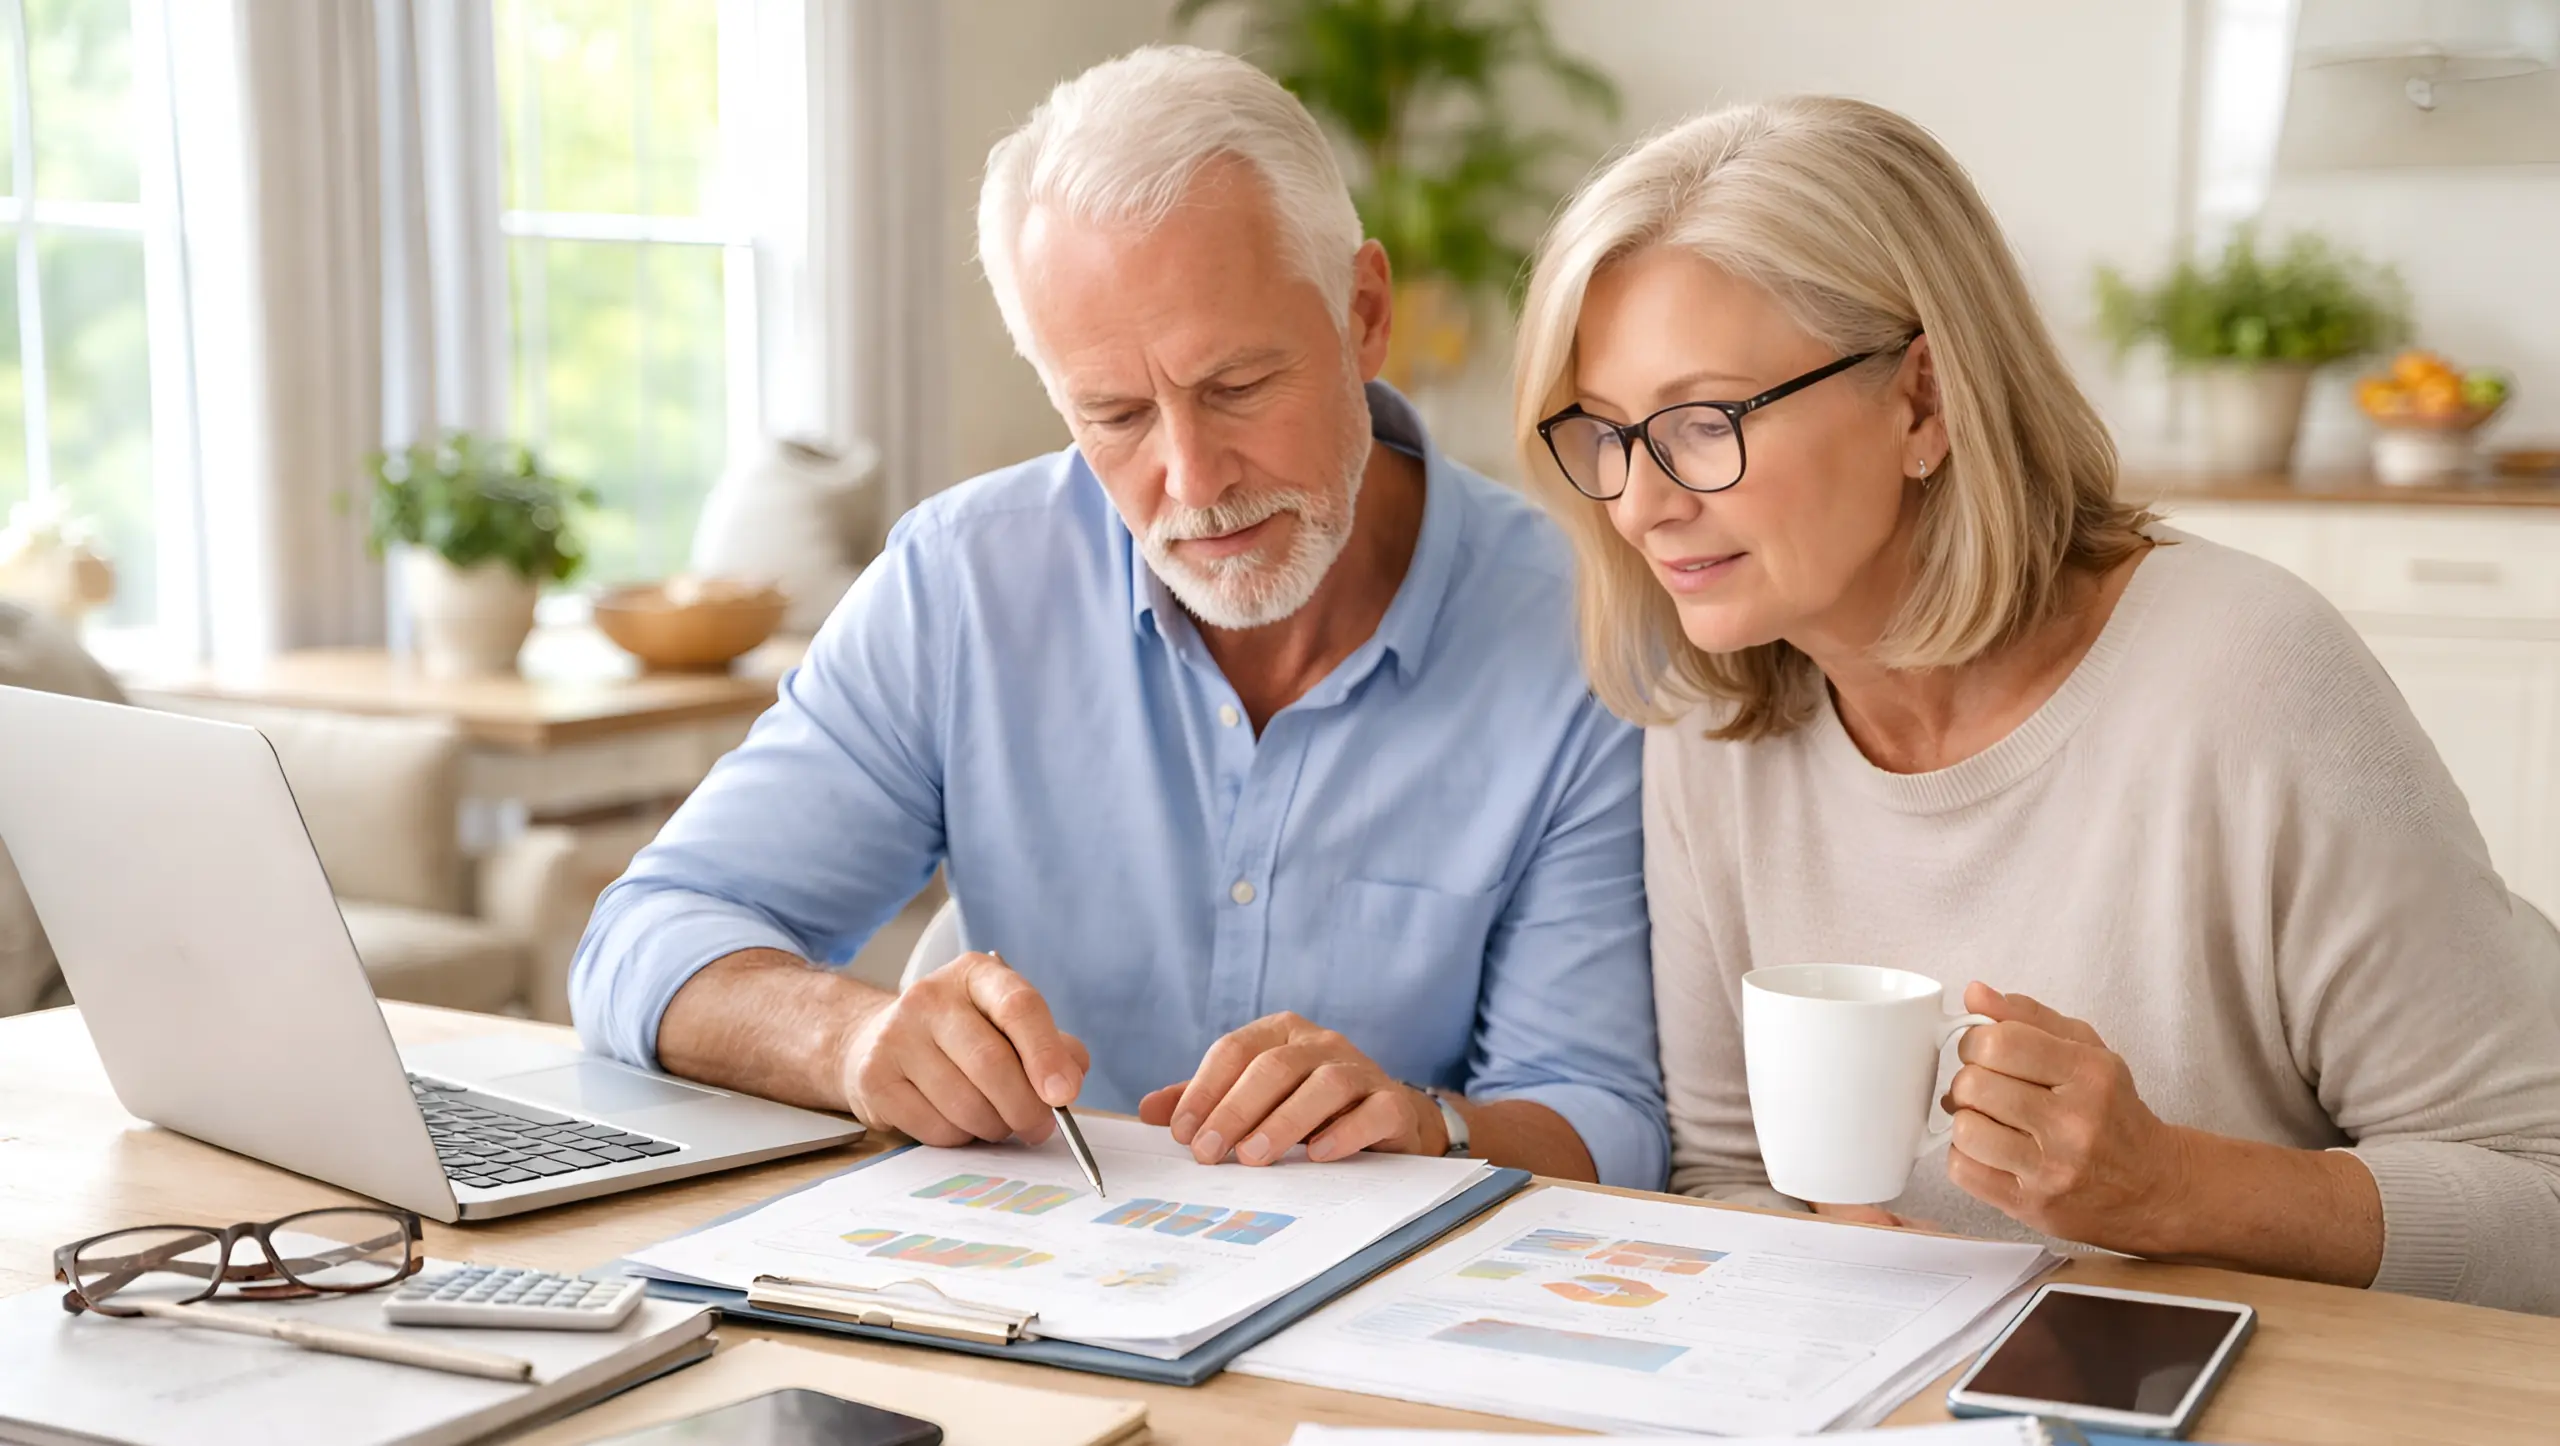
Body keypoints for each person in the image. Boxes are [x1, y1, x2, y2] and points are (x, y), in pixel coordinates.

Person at [1510, 95, 2560, 1310]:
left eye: (1702, 424)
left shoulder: (2247, 673)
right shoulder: (1711, 722)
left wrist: (2173, 1190)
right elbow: (1729, 1174)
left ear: (1922, 400)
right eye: (1605, 434)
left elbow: (2538, 1190)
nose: (1640, 505)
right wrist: (1853, 1261)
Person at [568, 45, 1667, 1189]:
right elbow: (644, 936)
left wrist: (1426, 1124)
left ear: (1364, 313)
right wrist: (847, 1040)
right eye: (1114, 414)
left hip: (1399, 1285)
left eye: (1236, 387)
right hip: (1020, 1277)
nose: (1192, 479)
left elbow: (1602, 1110)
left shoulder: (1582, 626)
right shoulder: (962, 585)